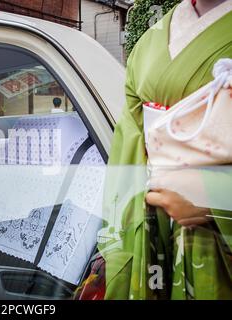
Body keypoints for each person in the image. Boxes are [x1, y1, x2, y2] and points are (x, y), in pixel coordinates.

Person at [97, 0, 232, 300]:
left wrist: (217, 195)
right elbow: (128, 149)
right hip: (155, 224)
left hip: (218, 249)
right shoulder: (149, 43)